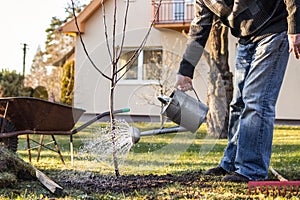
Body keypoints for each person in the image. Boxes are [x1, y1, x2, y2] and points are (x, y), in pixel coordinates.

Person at [175, 0, 300, 182]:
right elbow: (200, 26)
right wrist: (185, 70)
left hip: (274, 29)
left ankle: (252, 170)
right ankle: (232, 163)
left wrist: (294, 26)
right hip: (245, 38)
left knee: (257, 101)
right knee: (238, 104)